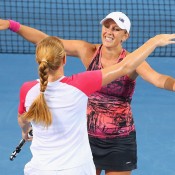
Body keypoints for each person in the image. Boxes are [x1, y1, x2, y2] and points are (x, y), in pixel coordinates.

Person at [1, 12, 175, 175]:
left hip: (119, 140)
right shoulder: (88, 51)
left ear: (125, 36)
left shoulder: (133, 61)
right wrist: (12, 25)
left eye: (116, 29)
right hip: (85, 140)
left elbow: (158, 79)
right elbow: (47, 42)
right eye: (106, 27)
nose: (109, 32)